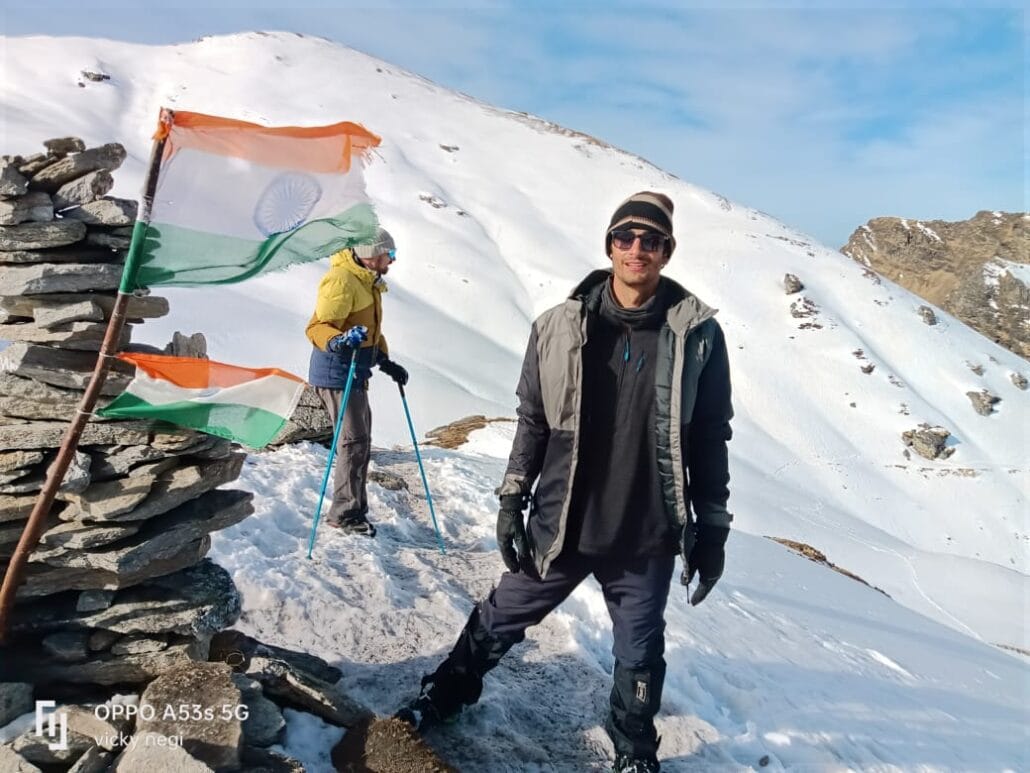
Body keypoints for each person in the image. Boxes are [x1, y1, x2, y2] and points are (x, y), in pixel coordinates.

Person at [396, 192, 733, 772]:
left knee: (641, 650)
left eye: (651, 240)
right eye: (625, 237)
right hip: (563, 522)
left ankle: (632, 747)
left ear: (667, 252)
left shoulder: (698, 336)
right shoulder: (558, 327)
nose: (637, 250)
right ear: (608, 247)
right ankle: (445, 692)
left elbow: (709, 435)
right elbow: (532, 419)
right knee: (503, 614)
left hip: (646, 533)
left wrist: (714, 528)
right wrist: (511, 498)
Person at [305, 227, 409, 537]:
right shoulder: (342, 280)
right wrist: (338, 341)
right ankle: (344, 514)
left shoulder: (368, 282)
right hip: (337, 373)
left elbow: (369, 328)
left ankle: (355, 508)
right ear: (371, 255)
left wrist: (385, 360)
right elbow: (317, 327)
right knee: (351, 443)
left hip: (357, 371)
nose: (392, 260)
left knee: (361, 441)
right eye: (388, 255)